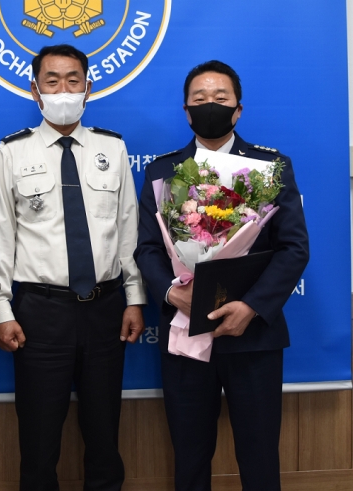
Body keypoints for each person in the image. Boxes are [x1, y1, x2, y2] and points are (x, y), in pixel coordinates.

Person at [134, 60, 309, 491]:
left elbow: (293, 247)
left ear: (238, 109)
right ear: (186, 111)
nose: (209, 105)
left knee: (260, 453)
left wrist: (252, 306)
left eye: (220, 98)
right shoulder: (162, 171)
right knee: (190, 454)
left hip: (253, 336)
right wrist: (172, 293)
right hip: (185, 331)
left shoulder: (271, 166)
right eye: (200, 99)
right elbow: (147, 248)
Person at [0, 44, 146, 491]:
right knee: (39, 438)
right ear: (34, 89)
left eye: (73, 80)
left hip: (105, 308)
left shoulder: (112, 148)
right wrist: (0, 310)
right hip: (40, 311)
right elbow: (0, 237)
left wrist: (135, 298)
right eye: (52, 81)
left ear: (88, 87)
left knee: (104, 432)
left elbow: (127, 228)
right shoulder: (11, 152)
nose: (63, 90)